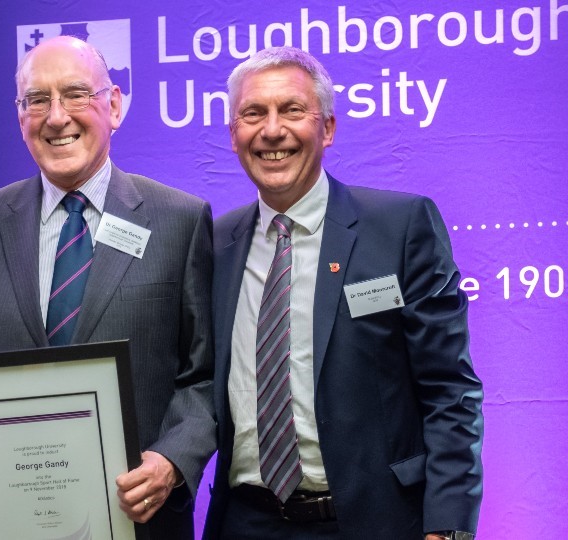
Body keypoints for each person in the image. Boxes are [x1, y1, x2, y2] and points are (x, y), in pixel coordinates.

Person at [0, 36, 215, 539]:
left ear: (113, 105)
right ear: (20, 117)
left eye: (76, 94)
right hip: (0, 520)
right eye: (37, 100)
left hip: (138, 521)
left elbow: (203, 376)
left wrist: (170, 461)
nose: (56, 117)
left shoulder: (179, 220)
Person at [203, 47, 484, 540]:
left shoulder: (400, 228)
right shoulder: (212, 245)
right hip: (245, 523)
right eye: (252, 114)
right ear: (233, 136)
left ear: (327, 128)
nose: (271, 131)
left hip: (376, 523)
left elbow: (450, 392)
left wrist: (448, 525)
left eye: (291, 110)